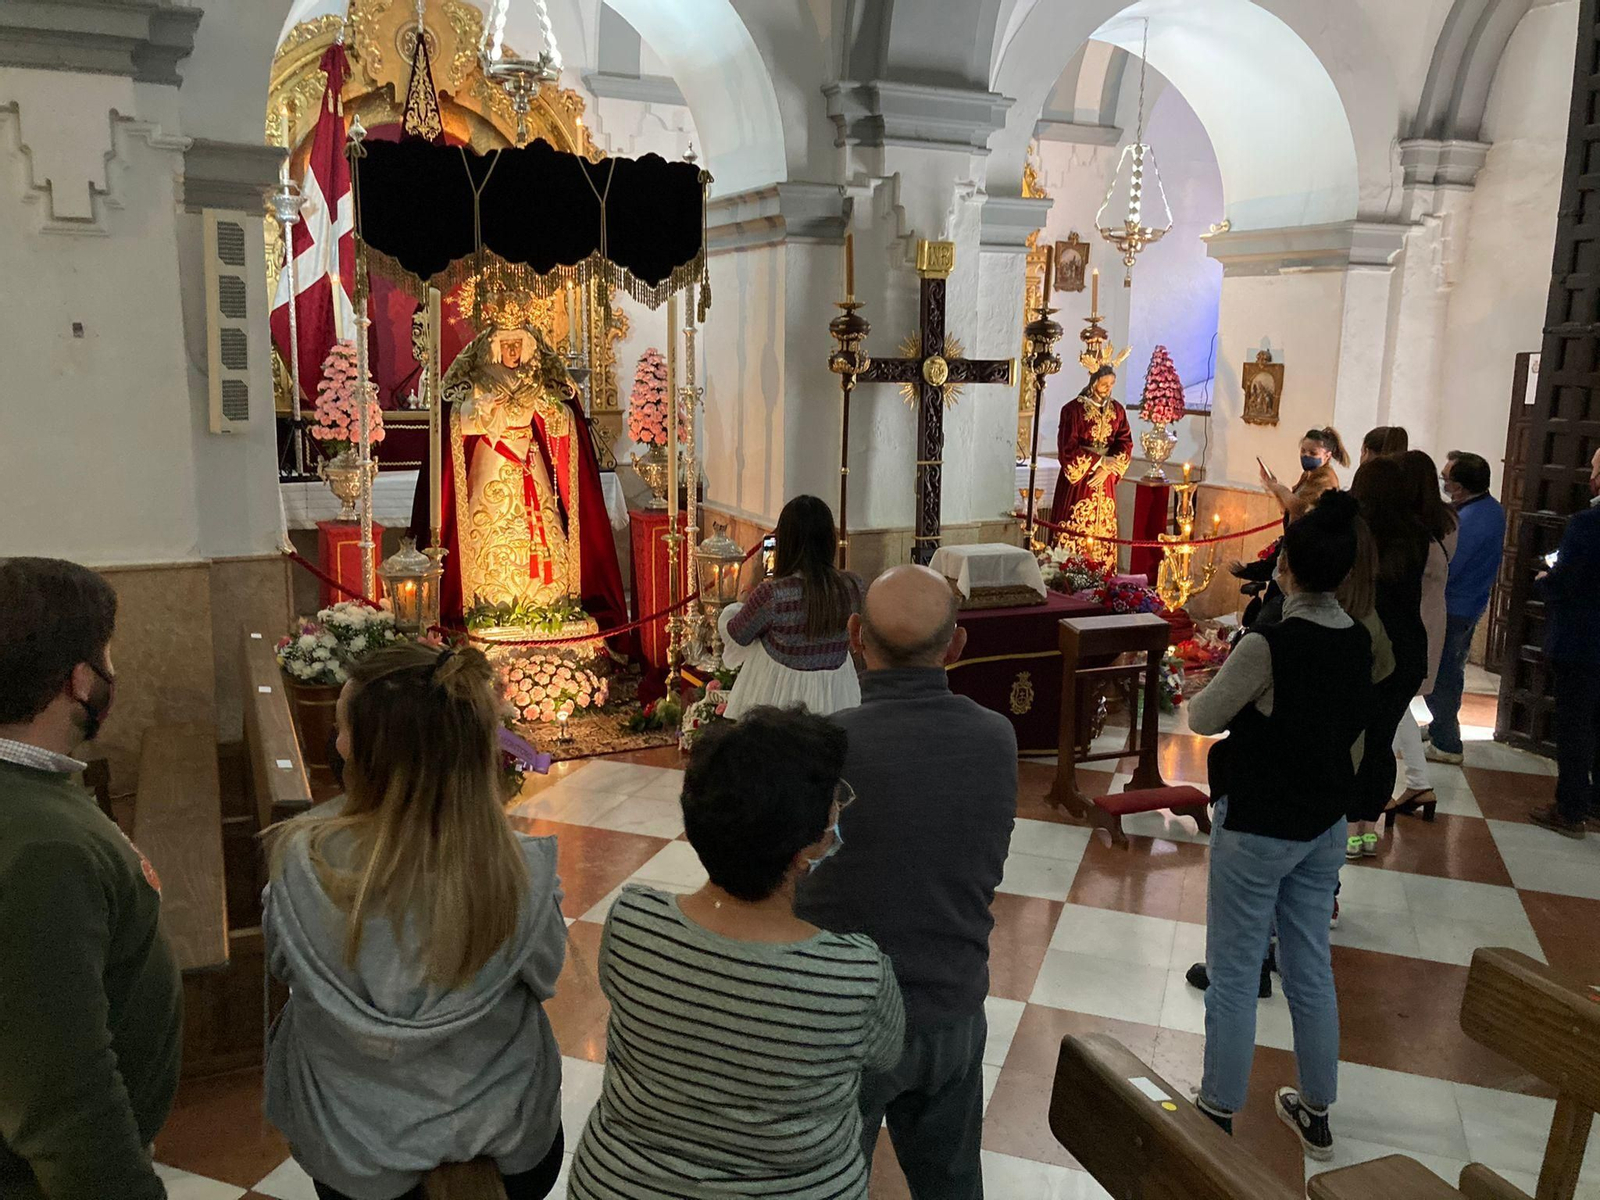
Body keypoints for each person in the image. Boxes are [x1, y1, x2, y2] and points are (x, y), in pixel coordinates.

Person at [264, 643, 567, 1200]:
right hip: (511, 1148)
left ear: (372, 754)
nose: (336, 744)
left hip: (357, 1151)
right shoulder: (521, 868)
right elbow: (545, 977)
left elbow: (285, 965)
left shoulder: (301, 863)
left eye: (341, 730)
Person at [570, 707, 906, 1199]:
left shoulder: (633, 923)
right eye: (834, 802)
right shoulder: (855, 974)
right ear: (805, 850)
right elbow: (887, 1052)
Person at [796, 564, 1017, 1199]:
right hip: (949, 1001)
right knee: (951, 1184)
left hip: (844, 1018)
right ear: (957, 646)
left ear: (854, 637)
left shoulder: (824, 746)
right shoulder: (995, 738)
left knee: (828, 1185)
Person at [1188, 491, 1373, 1161]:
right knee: (1310, 969)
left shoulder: (1270, 642)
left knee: (1235, 973)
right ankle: (1317, 1110)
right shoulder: (1356, 640)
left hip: (1259, 824)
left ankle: (1215, 1112)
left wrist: (1211, 679)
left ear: (1284, 568)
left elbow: (1204, 718)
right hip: (1323, 825)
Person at [0, 558, 182, 1200]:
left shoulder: (32, 795)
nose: (114, 672)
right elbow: (65, 1103)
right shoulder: (39, 849)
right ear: (81, 680)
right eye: (107, 654)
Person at [1348, 457, 1431, 855]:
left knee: (1354, 739)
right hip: (1409, 648)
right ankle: (1368, 825)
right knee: (1381, 740)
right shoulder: (1416, 532)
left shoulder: (1360, 533)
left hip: (1370, 646)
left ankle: (1349, 825)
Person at [719, 494, 863, 718]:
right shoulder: (853, 586)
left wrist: (751, 586)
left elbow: (737, 634)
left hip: (779, 701)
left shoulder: (773, 595)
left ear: (785, 542)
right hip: (837, 694)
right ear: (829, 540)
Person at [1384, 450, 1459, 824]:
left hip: (1414, 617)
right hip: (1431, 614)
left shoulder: (1413, 527)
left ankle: (1408, 782)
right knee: (1399, 706)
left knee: (1394, 701)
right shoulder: (1447, 518)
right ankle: (1417, 782)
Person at [1530, 446, 1600, 837]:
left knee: (1575, 727)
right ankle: (1596, 801)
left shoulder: (1587, 524)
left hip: (1583, 640)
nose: (1590, 477)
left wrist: (1546, 582)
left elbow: (1569, 580)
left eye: (1593, 469)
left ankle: (1570, 809)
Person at [1425, 452, 1505, 765]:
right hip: (1466, 603)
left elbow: (1449, 565)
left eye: (1446, 479)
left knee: (1443, 673)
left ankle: (1446, 742)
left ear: (1459, 487)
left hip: (1455, 606)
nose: (1443, 484)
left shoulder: (1471, 520)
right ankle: (1439, 728)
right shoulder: (1488, 508)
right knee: (1449, 669)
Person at [1232, 427, 1349, 629]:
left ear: (1327, 455)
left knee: (1271, 616)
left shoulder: (1325, 478)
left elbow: (1299, 507)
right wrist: (1273, 486)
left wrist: (1280, 489)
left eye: (1312, 453)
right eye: (1303, 451)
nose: (1305, 456)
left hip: (1305, 552)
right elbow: (1287, 508)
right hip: (1292, 544)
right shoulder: (1309, 475)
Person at [1050, 363, 1133, 573]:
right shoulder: (1072, 410)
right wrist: (1098, 461)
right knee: (1074, 527)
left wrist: (1109, 466)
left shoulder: (1118, 410)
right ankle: (1067, 575)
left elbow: (1125, 441)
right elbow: (1067, 447)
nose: (1108, 388)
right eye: (1104, 383)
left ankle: (1102, 575)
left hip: (1105, 482)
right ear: (1094, 382)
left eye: (1112, 384)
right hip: (1081, 482)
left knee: (1103, 533)